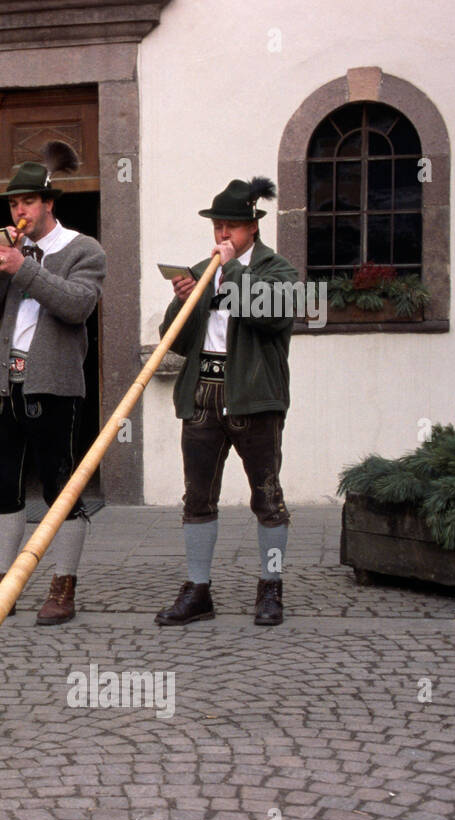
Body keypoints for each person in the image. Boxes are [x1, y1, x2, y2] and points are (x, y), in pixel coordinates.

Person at [0, 144, 106, 626]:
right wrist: (1, 270)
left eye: (27, 202)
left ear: (48, 204)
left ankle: (64, 585)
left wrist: (28, 268)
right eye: (13, 203)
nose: (18, 210)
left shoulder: (84, 249)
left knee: (63, 488)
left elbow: (77, 305)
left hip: (54, 386)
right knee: (2, 487)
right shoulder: (17, 252)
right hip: (2, 383)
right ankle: (1, 583)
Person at [154, 176, 297, 627]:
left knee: (267, 497)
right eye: (218, 226)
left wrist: (227, 271)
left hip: (254, 398)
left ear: (253, 228)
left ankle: (270, 588)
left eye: (232, 226)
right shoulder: (202, 270)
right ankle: (198, 590)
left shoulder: (278, 271)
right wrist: (182, 302)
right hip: (203, 395)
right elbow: (174, 341)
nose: (222, 236)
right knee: (197, 498)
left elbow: (271, 316)